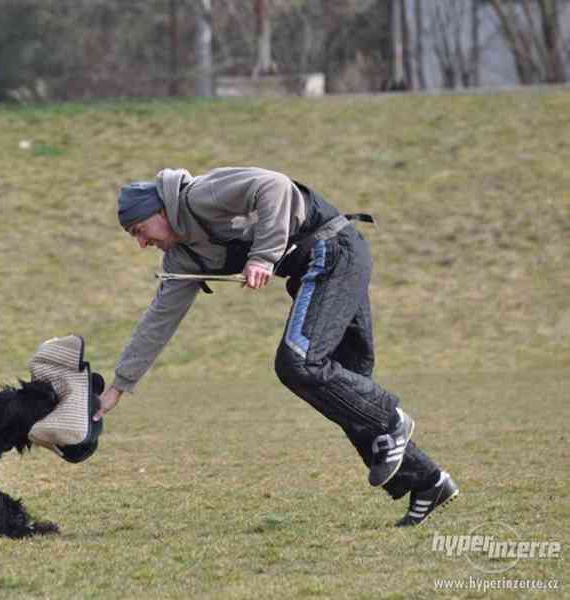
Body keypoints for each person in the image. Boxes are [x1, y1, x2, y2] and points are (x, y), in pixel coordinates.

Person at [94, 167, 458, 526]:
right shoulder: (183, 256)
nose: (142, 243)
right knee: (347, 391)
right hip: (317, 270)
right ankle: (428, 483)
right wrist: (118, 387)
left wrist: (262, 257)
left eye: (139, 231)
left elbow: (274, 186)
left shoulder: (199, 196)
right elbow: (158, 321)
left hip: (333, 252)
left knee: (298, 364)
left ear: (159, 212)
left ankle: (392, 420)